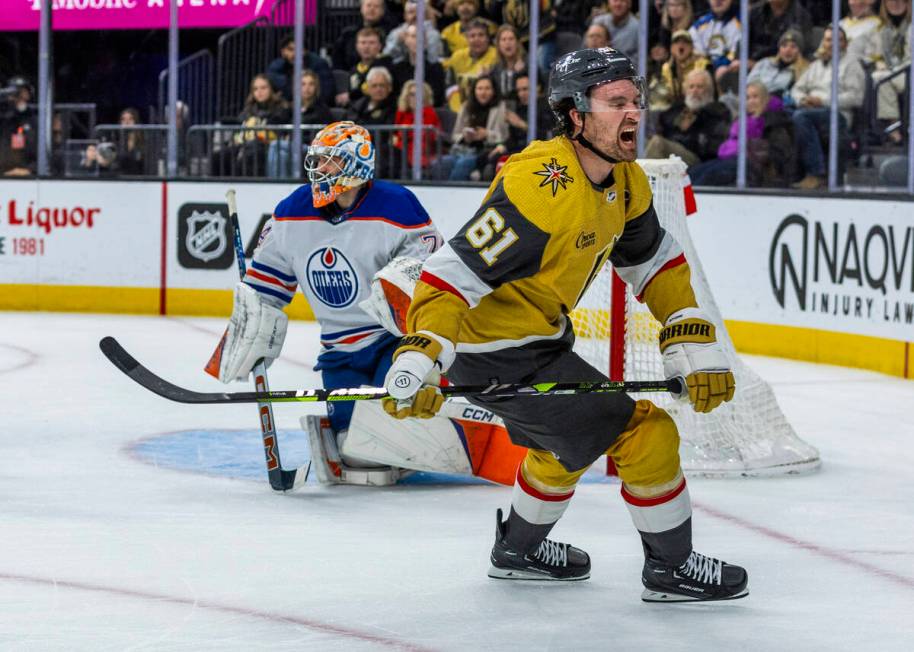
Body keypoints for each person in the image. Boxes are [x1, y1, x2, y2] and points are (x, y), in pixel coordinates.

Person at [381, 47, 746, 601]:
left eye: (635, 100)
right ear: (575, 113)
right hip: (494, 349)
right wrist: (423, 349)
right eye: (614, 102)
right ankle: (671, 569)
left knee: (561, 446)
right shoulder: (542, 185)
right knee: (646, 432)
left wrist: (686, 328)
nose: (632, 113)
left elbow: (652, 261)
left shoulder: (626, 182)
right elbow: (451, 275)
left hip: (539, 340)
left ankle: (518, 550)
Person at [209, 121, 442, 484]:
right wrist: (250, 325)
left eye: (329, 161)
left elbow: (427, 283)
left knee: (391, 434)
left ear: (356, 165)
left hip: (393, 343)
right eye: (317, 160)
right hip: (338, 351)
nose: (318, 169)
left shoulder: (398, 206)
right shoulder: (292, 211)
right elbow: (266, 287)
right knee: (355, 449)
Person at [789, 27, 865, 189]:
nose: (832, 44)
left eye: (838, 40)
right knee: (785, 115)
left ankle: (816, 173)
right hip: (810, 110)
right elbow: (796, 88)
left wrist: (822, 101)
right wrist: (802, 99)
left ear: (845, 44)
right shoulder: (817, 64)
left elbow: (856, 97)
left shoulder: (852, 64)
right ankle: (785, 174)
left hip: (837, 114)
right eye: (829, 40)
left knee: (800, 117)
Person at [688, 81, 795, 187]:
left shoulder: (775, 121)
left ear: (765, 99)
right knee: (694, 172)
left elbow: (780, 155)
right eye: (747, 98)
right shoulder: (740, 121)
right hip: (733, 159)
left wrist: (751, 146)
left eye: (755, 97)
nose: (751, 101)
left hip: (756, 168)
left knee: (708, 177)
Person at [645, 68, 731, 167]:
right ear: (685, 90)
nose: (695, 91)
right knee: (643, 142)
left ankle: (647, 180)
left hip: (697, 159)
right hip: (673, 153)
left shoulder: (717, 111)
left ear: (709, 90)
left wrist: (699, 117)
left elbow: (713, 145)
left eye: (700, 87)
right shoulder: (677, 109)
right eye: (691, 87)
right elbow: (664, 127)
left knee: (658, 143)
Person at [213, 74, 291, 177]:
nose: (259, 92)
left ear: (271, 89)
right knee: (219, 156)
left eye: (263, 88)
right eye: (255, 89)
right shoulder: (248, 110)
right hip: (244, 144)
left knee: (250, 154)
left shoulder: (281, 109)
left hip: (267, 147)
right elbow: (238, 131)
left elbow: (281, 132)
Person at [438, 74, 508, 180]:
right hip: (464, 149)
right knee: (441, 162)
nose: (483, 92)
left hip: (485, 150)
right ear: (474, 91)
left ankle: (454, 194)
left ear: (494, 91)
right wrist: (465, 137)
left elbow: (504, 136)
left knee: (463, 163)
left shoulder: (500, 108)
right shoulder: (466, 106)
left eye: (487, 88)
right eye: (479, 88)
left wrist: (486, 134)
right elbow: (455, 135)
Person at [267, 70, 334, 178]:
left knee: (275, 145)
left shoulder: (322, 109)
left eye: (311, 84)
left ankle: (272, 182)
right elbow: (273, 122)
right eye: (303, 84)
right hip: (292, 147)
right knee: (281, 154)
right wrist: (284, 135)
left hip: (311, 149)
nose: (307, 88)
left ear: (316, 87)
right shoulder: (291, 107)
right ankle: (281, 186)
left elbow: (324, 134)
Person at [443, 17, 499, 111]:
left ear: (488, 38)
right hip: (459, 108)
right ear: (466, 38)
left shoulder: (496, 56)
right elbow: (450, 85)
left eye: (481, 35)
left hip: (487, 107)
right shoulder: (457, 56)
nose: (477, 39)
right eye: (472, 36)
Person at [266, 35, 336, 107]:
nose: (295, 53)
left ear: (305, 51)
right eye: (290, 49)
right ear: (283, 52)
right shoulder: (277, 65)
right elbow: (268, 85)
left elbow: (326, 94)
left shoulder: (319, 64)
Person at [332, 0, 401, 71]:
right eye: (368, 5)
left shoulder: (392, 33)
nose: (372, 9)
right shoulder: (348, 33)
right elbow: (338, 61)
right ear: (361, 8)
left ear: (382, 11)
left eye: (376, 6)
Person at [338, 27, 397, 107]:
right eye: (363, 43)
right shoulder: (354, 69)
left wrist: (350, 96)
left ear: (380, 46)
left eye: (371, 43)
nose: (366, 47)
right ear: (357, 46)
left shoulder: (387, 66)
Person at [391, 24, 448, 107]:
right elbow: (394, 97)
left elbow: (438, 98)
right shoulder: (397, 69)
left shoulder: (436, 69)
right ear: (406, 40)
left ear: (425, 42)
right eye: (413, 36)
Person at [746, 28, 809, 100]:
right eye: (784, 46)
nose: (788, 50)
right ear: (779, 48)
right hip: (752, 100)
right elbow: (748, 83)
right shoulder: (765, 63)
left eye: (793, 47)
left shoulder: (804, 71)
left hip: (777, 105)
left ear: (799, 51)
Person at [689, 0, 741, 85]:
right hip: (703, 70)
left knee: (721, 71)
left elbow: (734, 54)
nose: (718, 1)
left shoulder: (741, 23)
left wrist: (714, 66)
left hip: (729, 72)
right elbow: (695, 51)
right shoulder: (700, 24)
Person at [748, 0, 813, 64]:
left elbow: (800, 54)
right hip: (752, 64)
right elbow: (744, 44)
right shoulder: (755, 12)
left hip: (783, 67)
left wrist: (757, 65)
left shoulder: (801, 17)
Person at [0, 76, 36, 177]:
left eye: (22, 92)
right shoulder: (4, 119)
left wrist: (30, 169)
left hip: (25, 175)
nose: (19, 96)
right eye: (15, 93)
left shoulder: (35, 121)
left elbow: (44, 153)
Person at [591, 0, 640, 66]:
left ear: (629, 4)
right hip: (596, 68)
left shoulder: (638, 27)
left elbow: (639, 61)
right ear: (608, 2)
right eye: (615, 0)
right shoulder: (598, 22)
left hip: (625, 72)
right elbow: (586, 48)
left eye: (622, 1)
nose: (618, 4)